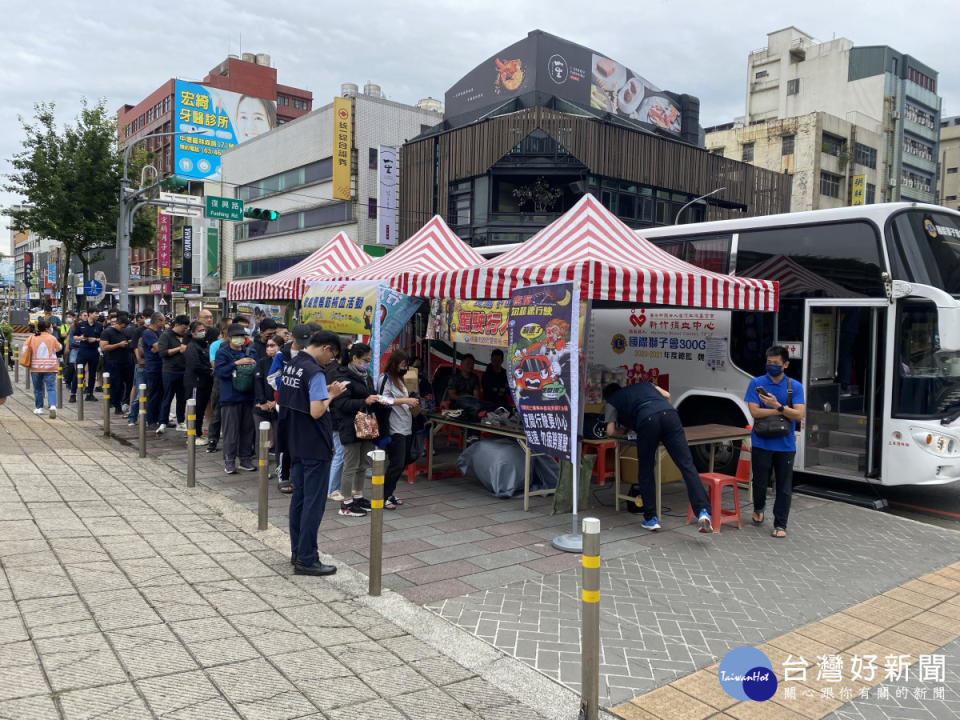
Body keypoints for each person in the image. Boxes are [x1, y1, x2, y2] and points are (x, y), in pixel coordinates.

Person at [603, 381, 713, 533]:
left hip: (647, 421)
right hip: (670, 415)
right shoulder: (645, 385)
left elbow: (610, 431)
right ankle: (703, 511)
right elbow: (667, 395)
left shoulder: (611, 401)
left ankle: (651, 518)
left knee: (646, 470)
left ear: (606, 396)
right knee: (687, 466)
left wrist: (622, 433)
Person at [278, 330, 345, 576]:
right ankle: (307, 558)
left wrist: (322, 391)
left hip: (294, 441)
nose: (331, 361)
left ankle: (298, 551)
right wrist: (332, 394)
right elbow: (317, 410)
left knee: (299, 500)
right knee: (313, 504)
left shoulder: (292, 365)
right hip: (315, 444)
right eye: (333, 355)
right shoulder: (315, 370)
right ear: (326, 348)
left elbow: (297, 399)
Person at [745, 346, 806, 539]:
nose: (771, 366)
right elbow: (754, 412)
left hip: (785, 445)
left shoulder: (794, 386)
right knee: (760, 482)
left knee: (784, 486)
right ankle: (758, 507)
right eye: (768, 363)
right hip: (761, 442)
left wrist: (777, 406)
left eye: (776, 363)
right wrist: (778, 410)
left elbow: (799, 414)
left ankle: (780, 524)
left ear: (785, 365)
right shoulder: (756, 383)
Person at [330, 342, 380, 517]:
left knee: (363, 464)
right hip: (350, 426)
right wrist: (364, 401)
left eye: (369, 360)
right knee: (350, 465)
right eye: (365, 360)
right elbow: (340, 404)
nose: (367, 363)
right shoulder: (342, 376)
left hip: (366, 426)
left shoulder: (366, 375)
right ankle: (346, 502)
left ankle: (358, 496)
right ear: (354, 358)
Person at [214, 323, 258, 474]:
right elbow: (219, 372)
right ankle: (229, 461)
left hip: (248, 397)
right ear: (229, 337)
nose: (240, 339)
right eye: (237, 336)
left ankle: (245, 459)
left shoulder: (250, 351)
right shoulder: (223, 353)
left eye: (242, 336)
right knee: (230, 431)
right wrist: (236, 364)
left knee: (248, 430)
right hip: (230, 398)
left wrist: (252, 364)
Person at [379, 351, 420, 510]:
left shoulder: (401, 379)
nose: (405, 368)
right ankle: (383, 496)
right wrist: (405, 400)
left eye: (406, 365)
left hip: (406, 425)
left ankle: (389, 493)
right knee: (396, 463)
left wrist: (411, 400)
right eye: (402, 365)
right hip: (394, 427)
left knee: (402, 462)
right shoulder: (386, 379)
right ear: (394, 364)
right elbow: (382, 399)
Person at [254, 332, 282, 488]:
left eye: (273, 345)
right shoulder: (262, 362)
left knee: (279, 439)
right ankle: (263, 467)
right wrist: (262, 402)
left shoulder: (286, 363)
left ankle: (280, 468)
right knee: (263, 439)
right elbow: (257, 383)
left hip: (278, 406)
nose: (269, 348)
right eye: (268, 346)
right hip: (262, 406)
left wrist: (276, 402)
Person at [157, 314, 190, 433]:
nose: (185, 330)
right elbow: (163, 353)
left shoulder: (187, 336)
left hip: (184, 371)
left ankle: (181, 421)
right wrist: (179, 349)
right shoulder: (166, 335)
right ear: (176, 325)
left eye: (186, 328)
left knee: (182, 398)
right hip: (170, 371)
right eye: (183, 327)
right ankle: (162, 422)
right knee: (167, 397)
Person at [23, 319, 62, 415]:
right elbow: (59, 348)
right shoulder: (52, 338)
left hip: (36, 367)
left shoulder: (32, 338)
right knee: (51, 387)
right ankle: (52, 405)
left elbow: (25, 349)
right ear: (47, 328)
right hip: (50, 367)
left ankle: (39, 408)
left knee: (38, 389)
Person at [99, 312, 135, 417]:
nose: (123, 329)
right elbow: (103, 347)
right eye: (122, 327)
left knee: (128, 384)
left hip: (126, 362)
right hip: (112, 362)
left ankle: (125, 403)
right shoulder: (107, 332)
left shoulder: (125, 332)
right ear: (118, 324)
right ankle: (116, 405)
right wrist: (118, 345)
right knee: (116, 385)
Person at [184, 321, 213, 446]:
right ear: (193, 332)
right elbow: (195, 365)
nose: (203, 332)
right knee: (195, 409)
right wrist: (209, 370)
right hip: (195, 382)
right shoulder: (192, 346)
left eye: (203, 330)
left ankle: (198, 433)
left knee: (201, 409)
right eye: (200, 330)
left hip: (205, 382)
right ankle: (193, 434)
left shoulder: (204, 345)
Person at [205, 318, 232, 453]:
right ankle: (212, 441)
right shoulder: (216, 345)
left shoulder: (245, 345)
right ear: (225, 330)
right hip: (219, 382)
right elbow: (215, 365)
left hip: (235, 383)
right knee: (217, 412)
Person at [140, 313, 165, 430]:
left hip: (162, 366)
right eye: (163, 321)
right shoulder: (148, 333)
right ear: (157, 321)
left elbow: (160, 347)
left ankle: (161, 419)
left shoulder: (160, 332)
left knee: (162, 394)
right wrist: (159, 347)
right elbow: (159, 347)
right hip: (153, 367)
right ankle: (151, 420)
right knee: (154, 394)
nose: (164, 323)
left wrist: (159, 347)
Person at [74, 311, 103, 401]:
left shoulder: (99, 326)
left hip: (94, 351)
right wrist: (81, 338)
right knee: (79, 372)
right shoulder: (81, 324)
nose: (97, 315)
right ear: (90, 314)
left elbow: (102, 338)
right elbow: (75, 337)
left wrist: (95, 339)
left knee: (92, 373)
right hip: (83, 350)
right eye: (95, 313)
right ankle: (73, 394)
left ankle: (90, 393)